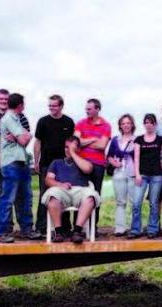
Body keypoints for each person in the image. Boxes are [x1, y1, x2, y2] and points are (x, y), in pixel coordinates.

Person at [0, 93, 40, 243]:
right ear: (20, 105)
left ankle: (27, 229)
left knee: (25, 197)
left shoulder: (17, 119)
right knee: (8, 198)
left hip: (21, 161)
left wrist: (25, 135)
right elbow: (24, 140)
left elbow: (25, 137)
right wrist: (24, 135)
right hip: (11, 162)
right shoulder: (8, 118)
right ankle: (1, 232)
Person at [42, 136, 100, 244]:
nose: (67, 150)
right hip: (61, 191)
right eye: (66, 147)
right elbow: (48, 180)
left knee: (91, 197)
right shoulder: (56, 163)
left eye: (71, 147)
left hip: (80, 191)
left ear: (78, 149)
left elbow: (88, 169)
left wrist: (73, 153)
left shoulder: (84, 161)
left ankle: (77, 232)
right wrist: (59, 184)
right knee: (52, 196)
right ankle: (58, 232)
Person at [33, 94, 75, 235]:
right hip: (46, 164)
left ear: (61, 106)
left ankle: (65, 228)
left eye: (54, 106)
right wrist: (36, 160)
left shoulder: (68, 122)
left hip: (64, 165)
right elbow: (37, 142)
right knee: (45, 195)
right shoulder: (43, 122)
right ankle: (41, 227)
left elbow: (72, 143)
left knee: (64, 194)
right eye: (49, 106)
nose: (51, 108)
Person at [128, 114, 162, 239]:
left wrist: (161, 168)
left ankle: (153, 229)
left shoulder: (160, 139)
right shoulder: (139, 140)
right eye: (146, 122)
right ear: (144, 124)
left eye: (151, 122)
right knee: (136, 203)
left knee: (154, 203)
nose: (148, 124)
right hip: (143, 175)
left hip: (157, 176)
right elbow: (136, 158)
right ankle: (135, 229)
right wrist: (138, 174)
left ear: (155, 124)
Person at [0, 89, 31, 197]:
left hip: (15, 160)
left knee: (20, 194)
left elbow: (26, 138)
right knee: (3, 192)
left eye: (6, 99)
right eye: (1, 98)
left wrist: (16, 138)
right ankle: (6, 215)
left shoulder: (21, 117)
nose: (3, 101)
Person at [73, 98, 111, 228]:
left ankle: (92, 226)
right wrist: (93, 138)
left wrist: (84, 141)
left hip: (98, 165)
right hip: (81, 164)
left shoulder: (106, 125)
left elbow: (102, 145)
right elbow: (76, 143)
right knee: (79, 193)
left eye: (89, 109)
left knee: (95, 195)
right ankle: (77, 226)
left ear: (97, 109)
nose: (87, 111)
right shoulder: (80, 123)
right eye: (86, 109)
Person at [106, 114, 136, 236]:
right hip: (119, 172)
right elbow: (109, 156)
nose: (126, 125)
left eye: (128, 123)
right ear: (120, 126)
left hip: (133, 172)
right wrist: (114, 162)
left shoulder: (137, 139)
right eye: (123, 123)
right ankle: (120, 228)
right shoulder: (115, 140)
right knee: (120, 201)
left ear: (132, 124)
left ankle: (135, 227)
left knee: (135, 201)